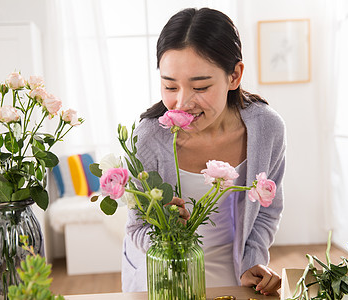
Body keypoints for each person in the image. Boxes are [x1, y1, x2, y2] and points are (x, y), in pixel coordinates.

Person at [122, 7, 286, 296]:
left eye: (200, 86)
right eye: (169, 86)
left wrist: (253, 261)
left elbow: (267, 210)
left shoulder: (267, 129)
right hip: (161, 280)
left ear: (234, 76)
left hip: (234, 277)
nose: (182, 103)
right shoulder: (147, 138)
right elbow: (136, 228)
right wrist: (169, 237)